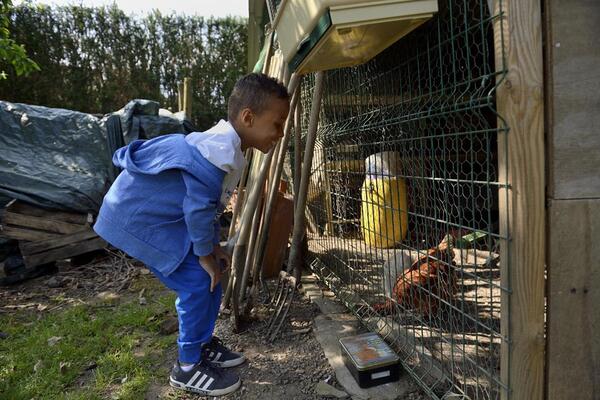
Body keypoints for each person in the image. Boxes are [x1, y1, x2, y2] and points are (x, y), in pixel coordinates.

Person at [93, 73, 290, 396]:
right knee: (198, 279)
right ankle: (186, 367)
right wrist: (204, 255)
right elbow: (197, 212)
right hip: (139, 220)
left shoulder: (227, 148)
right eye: (277, 124)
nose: (280, 134)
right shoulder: (216, 153)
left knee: (214, 273)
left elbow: (208, 206)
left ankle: (200, 344)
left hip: (162, 218)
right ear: (248, 117)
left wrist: (213, 248)